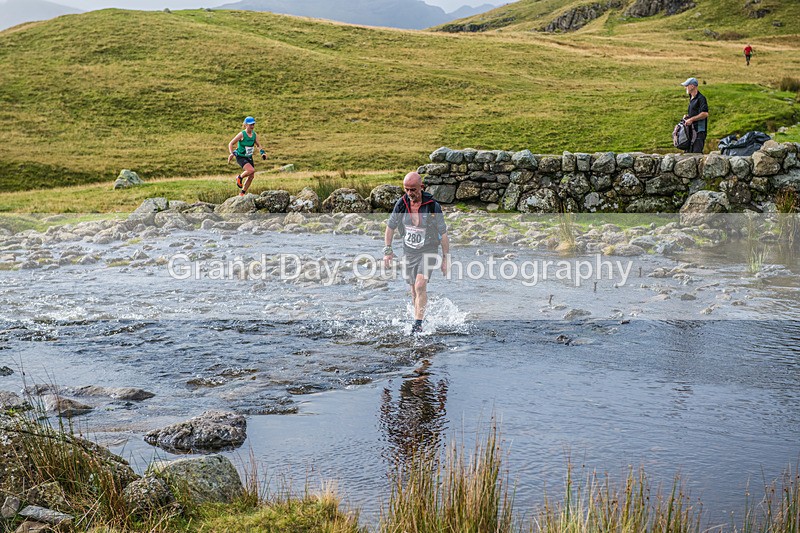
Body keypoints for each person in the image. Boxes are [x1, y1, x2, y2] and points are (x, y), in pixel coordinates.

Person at [383, 172, 449, 334]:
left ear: (422, 187)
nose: (410, 193)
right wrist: (388, 250)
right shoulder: (401, 203)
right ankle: (417, 318)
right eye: (406, 189)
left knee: (420, 285)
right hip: (409, 251)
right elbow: (390, 227)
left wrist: (446, 258)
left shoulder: (433, 206)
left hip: (429, 250)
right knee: (413, 290)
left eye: (413, 189)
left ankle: (418, 324)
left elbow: (443, 233)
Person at [227, 116, 266, 196]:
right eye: (250, 125)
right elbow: (231, 143)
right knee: (251, 170)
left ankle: (242, 193)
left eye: (253, 124)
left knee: (251, 176)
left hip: (249, 157)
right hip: (240, 156)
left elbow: (258, 145)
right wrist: (231, 153)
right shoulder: (242, 134)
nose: (252, 126)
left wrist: (262, 152)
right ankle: (239, 177)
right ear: (245, 125)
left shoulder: (254, 135)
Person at [680, 77, 709, 154]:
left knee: (697, 154)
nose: (685, 87)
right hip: (691, 131)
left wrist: (691, 119)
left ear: (692, 86)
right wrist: (687, 117)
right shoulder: (691, 98)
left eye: (687, 85)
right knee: (688, 152)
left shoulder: (701, 98)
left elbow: (705, 114)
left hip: (699, 131)